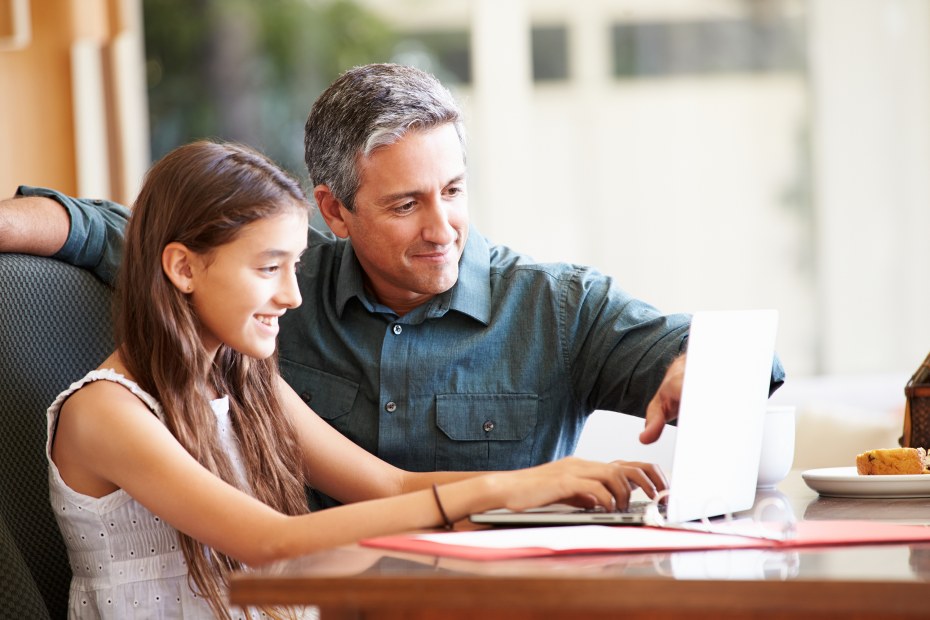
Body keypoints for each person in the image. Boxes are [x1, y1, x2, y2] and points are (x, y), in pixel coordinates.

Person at [3, 63, 784, 508]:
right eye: (407, 204)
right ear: (335, 211)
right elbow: (106, 228)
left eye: (453, 190)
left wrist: (697, 365)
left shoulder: (558, 305)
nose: (441, 226)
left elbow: (708, 352)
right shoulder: (270, 285)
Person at [47, 139, 667, 620]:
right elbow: (270, 541)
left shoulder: (244, 383)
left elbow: (390, 485)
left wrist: (544, 488)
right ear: (182, 267)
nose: (291, 297)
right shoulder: (106, 412)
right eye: (269, 268)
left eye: (294, 267)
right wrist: (498, 493)